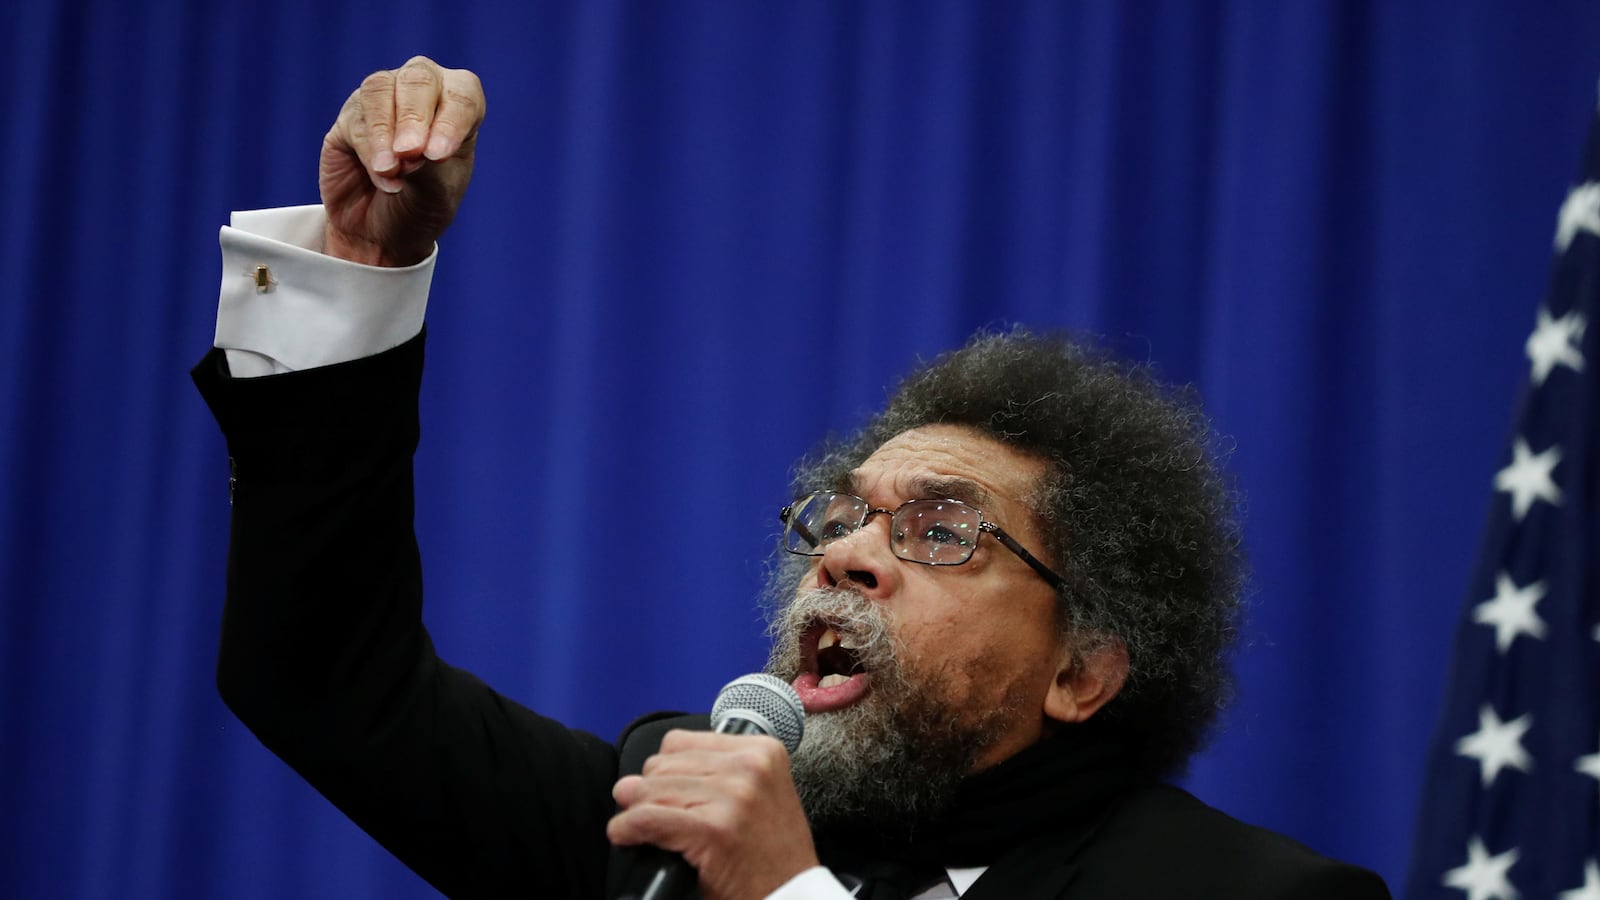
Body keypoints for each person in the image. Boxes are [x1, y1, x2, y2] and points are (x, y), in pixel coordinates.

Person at [193, 57, 1391, 900]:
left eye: (940, 533)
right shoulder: (659, 815)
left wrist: (787, 896)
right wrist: (360, 269)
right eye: (846, 514)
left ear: (1081, 670)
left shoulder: (1246, 891)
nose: (845, 552)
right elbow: (320, 676)